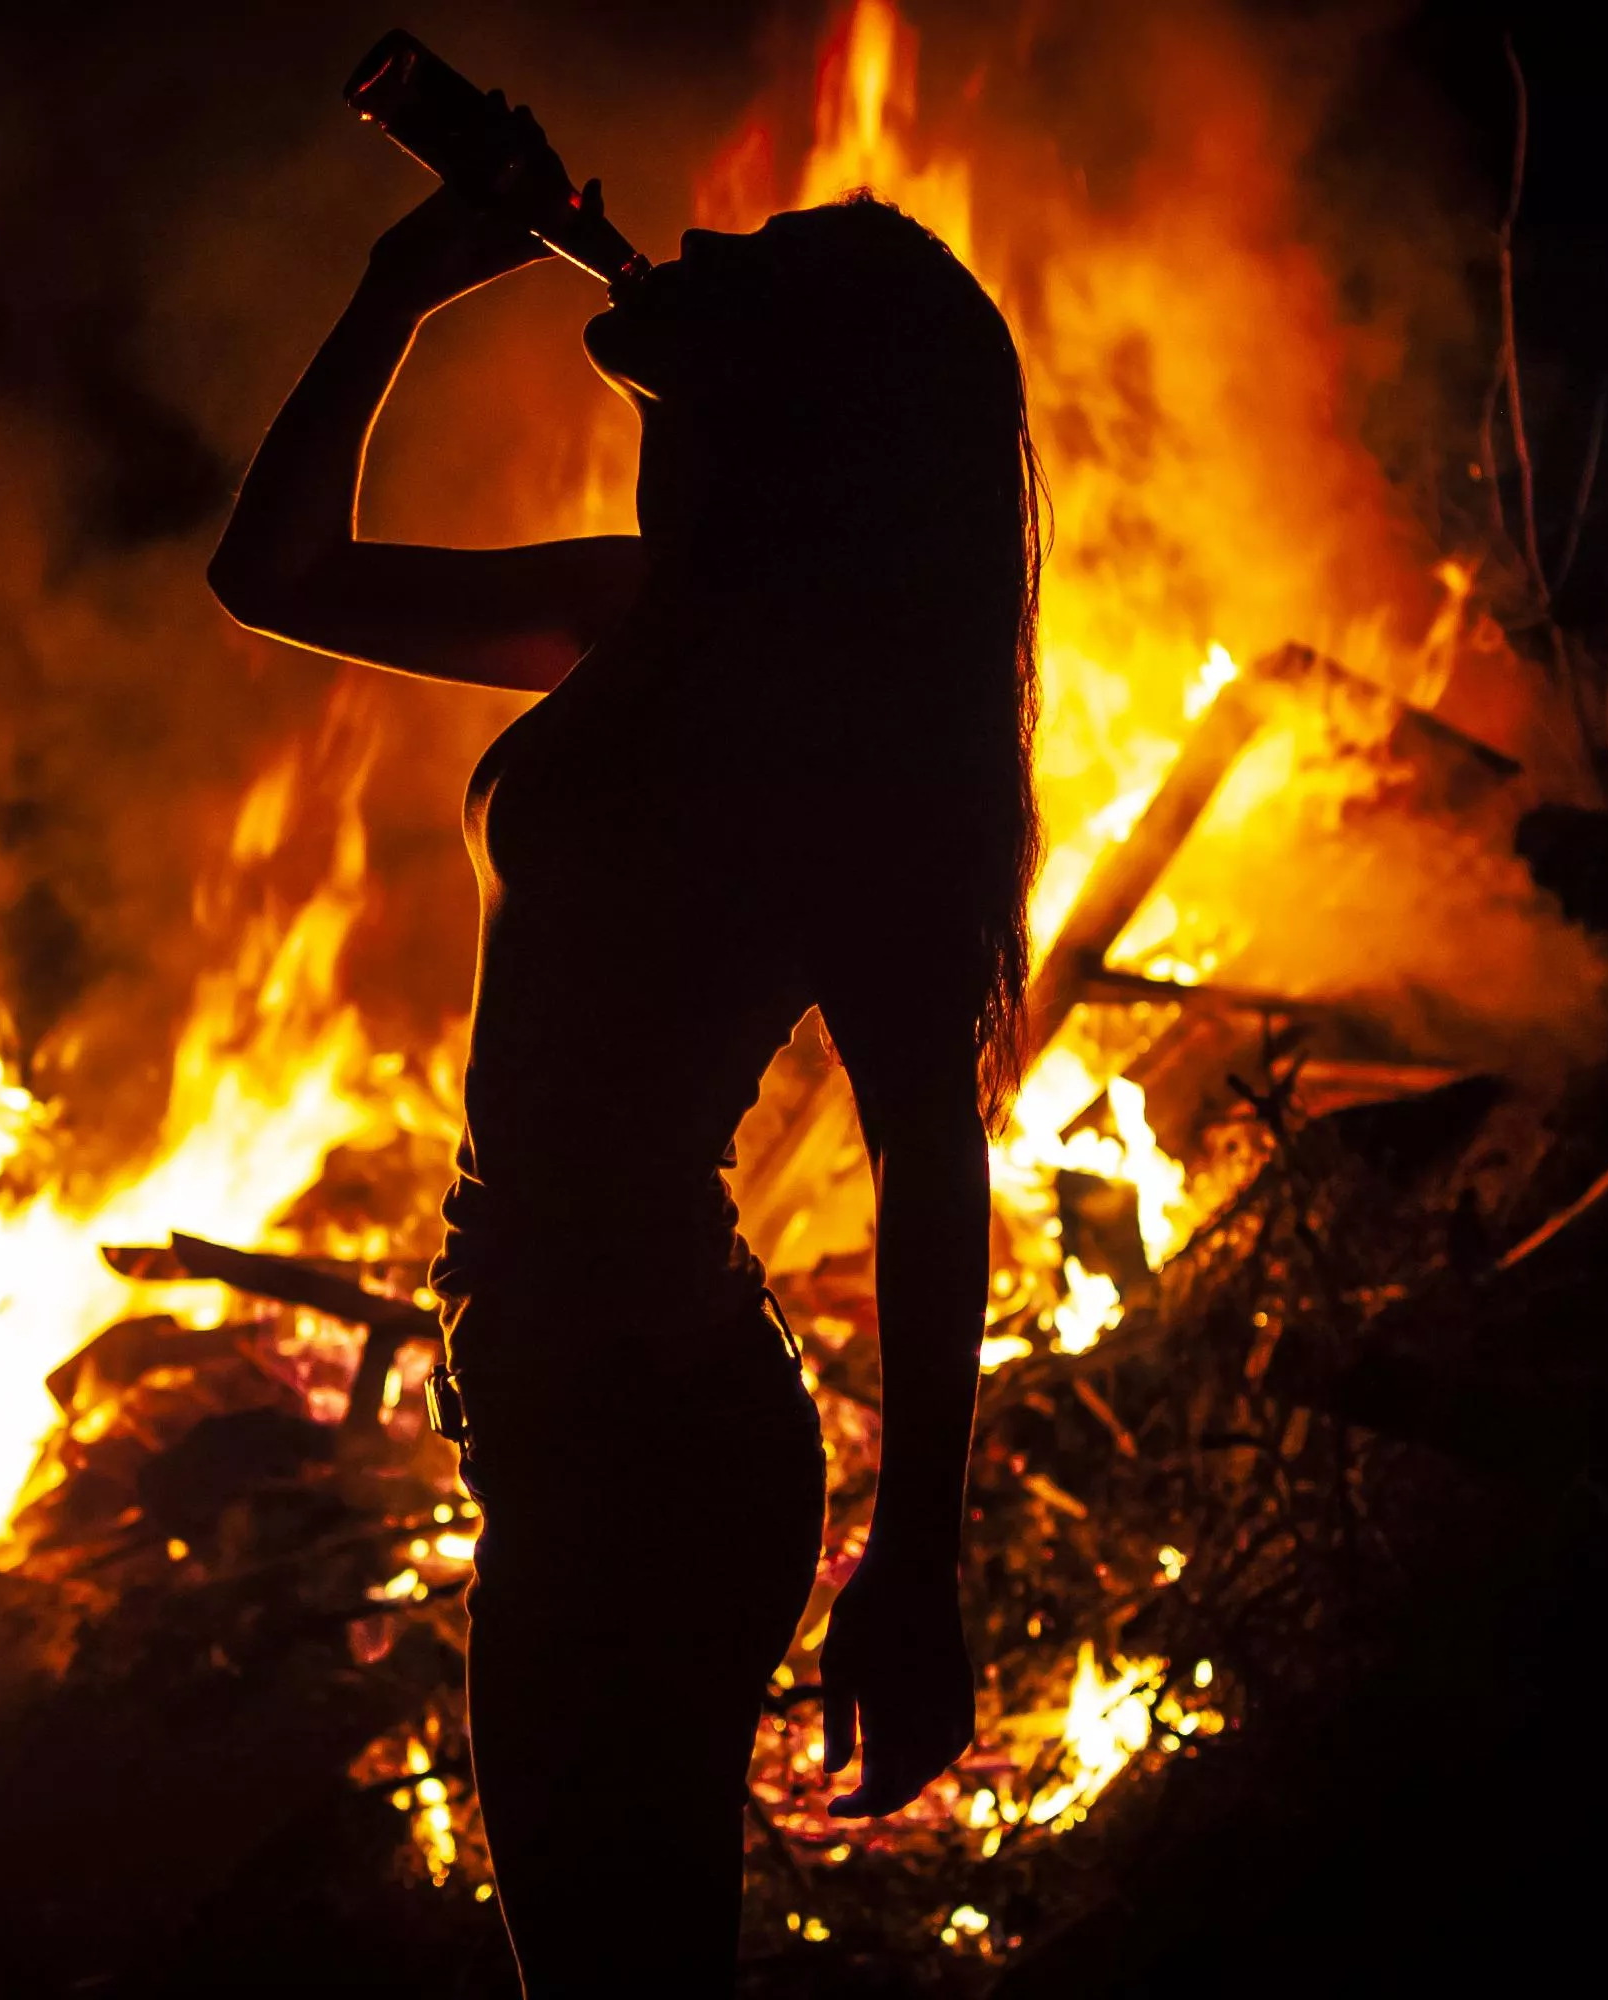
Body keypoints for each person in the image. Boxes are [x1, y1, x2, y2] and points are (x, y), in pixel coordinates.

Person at [208, 138, 1043, 1996]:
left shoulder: (831, 715)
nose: (706, 230)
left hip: (650, 1416)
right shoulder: (649, 616)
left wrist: (920, 1566)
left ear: (804, 392)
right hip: (567, 1381)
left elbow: (932, 1157)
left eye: (765, 260)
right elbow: (275, 575)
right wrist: (400, 286)